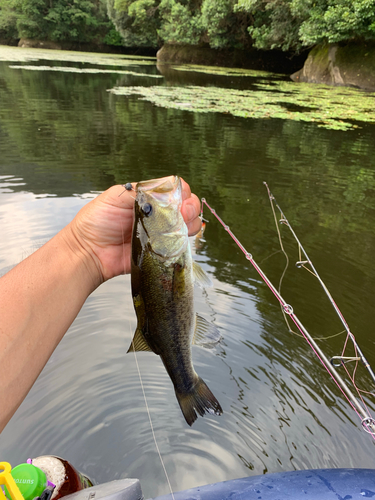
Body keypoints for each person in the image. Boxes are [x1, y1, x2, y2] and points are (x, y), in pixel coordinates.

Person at [0, 179, 201, 433]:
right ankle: (187, 387)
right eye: (147, 211)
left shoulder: (163, 252)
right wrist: (84, 248)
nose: (146, 204)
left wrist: (85, 248)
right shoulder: (169, 255)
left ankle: (186, 386)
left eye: (146, 210)